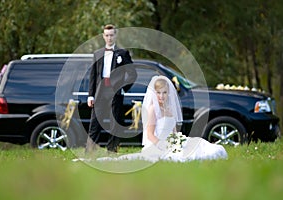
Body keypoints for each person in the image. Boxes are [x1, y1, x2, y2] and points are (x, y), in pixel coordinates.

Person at [97, 75, 228, 162]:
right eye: (158, 93)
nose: (161, 96)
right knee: (184, 156)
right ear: (154, 94)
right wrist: (163, 145)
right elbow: (149, 134)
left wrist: (178, 140)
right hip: (157, 144)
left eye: (164, 93)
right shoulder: (153, 109)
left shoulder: (170, 109)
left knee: (199, 144)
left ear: (168, 93)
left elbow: (174, 131)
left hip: (171, 142)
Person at [86, 24, 137, 153]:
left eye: (111, 35)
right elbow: (92, 76)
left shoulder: (123, 53)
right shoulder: (97, 54)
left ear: (115, 35)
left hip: (116, 91)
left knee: (115, 122)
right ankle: (90, 151)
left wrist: (124, 88)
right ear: (103, 36)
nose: (109, 38)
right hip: (100, 91)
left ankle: (112, 150)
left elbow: (132, 74)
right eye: (107, 35)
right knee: (95, 121)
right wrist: (91, 95)